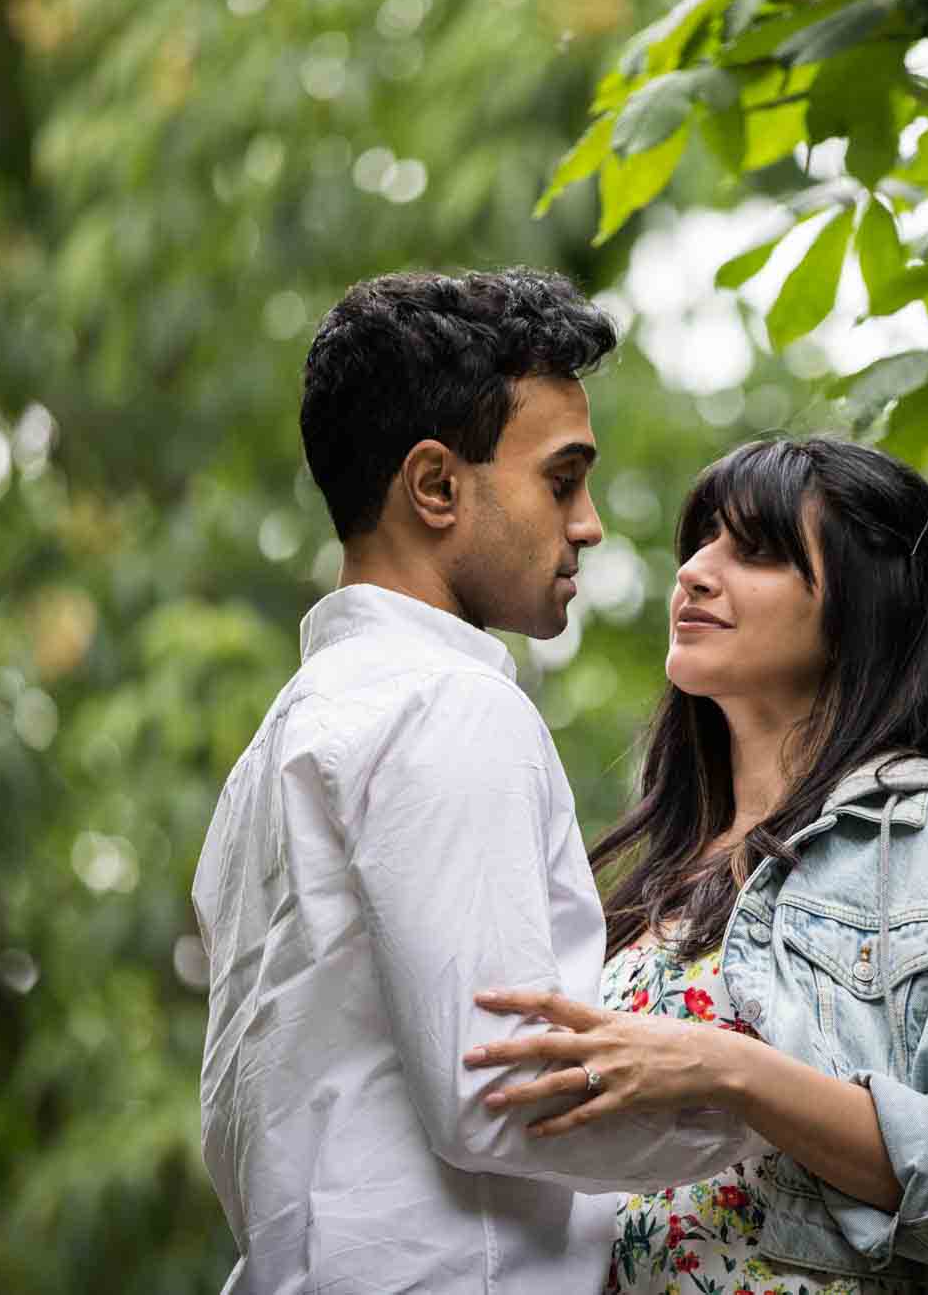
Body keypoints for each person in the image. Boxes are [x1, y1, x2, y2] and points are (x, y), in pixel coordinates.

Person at [191, 269, 758, 1295]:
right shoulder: (447, 707)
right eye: (560, 479)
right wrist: (756, 1106)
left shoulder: (280, 742)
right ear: (436, 486)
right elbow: (500, 1089)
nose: (585, 522)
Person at [465, 438, 928, 1294]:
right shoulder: (647, 884)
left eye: (755, 552)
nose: (698, 573)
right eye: (701, 543)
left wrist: (730, 1071)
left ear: (866, 604)